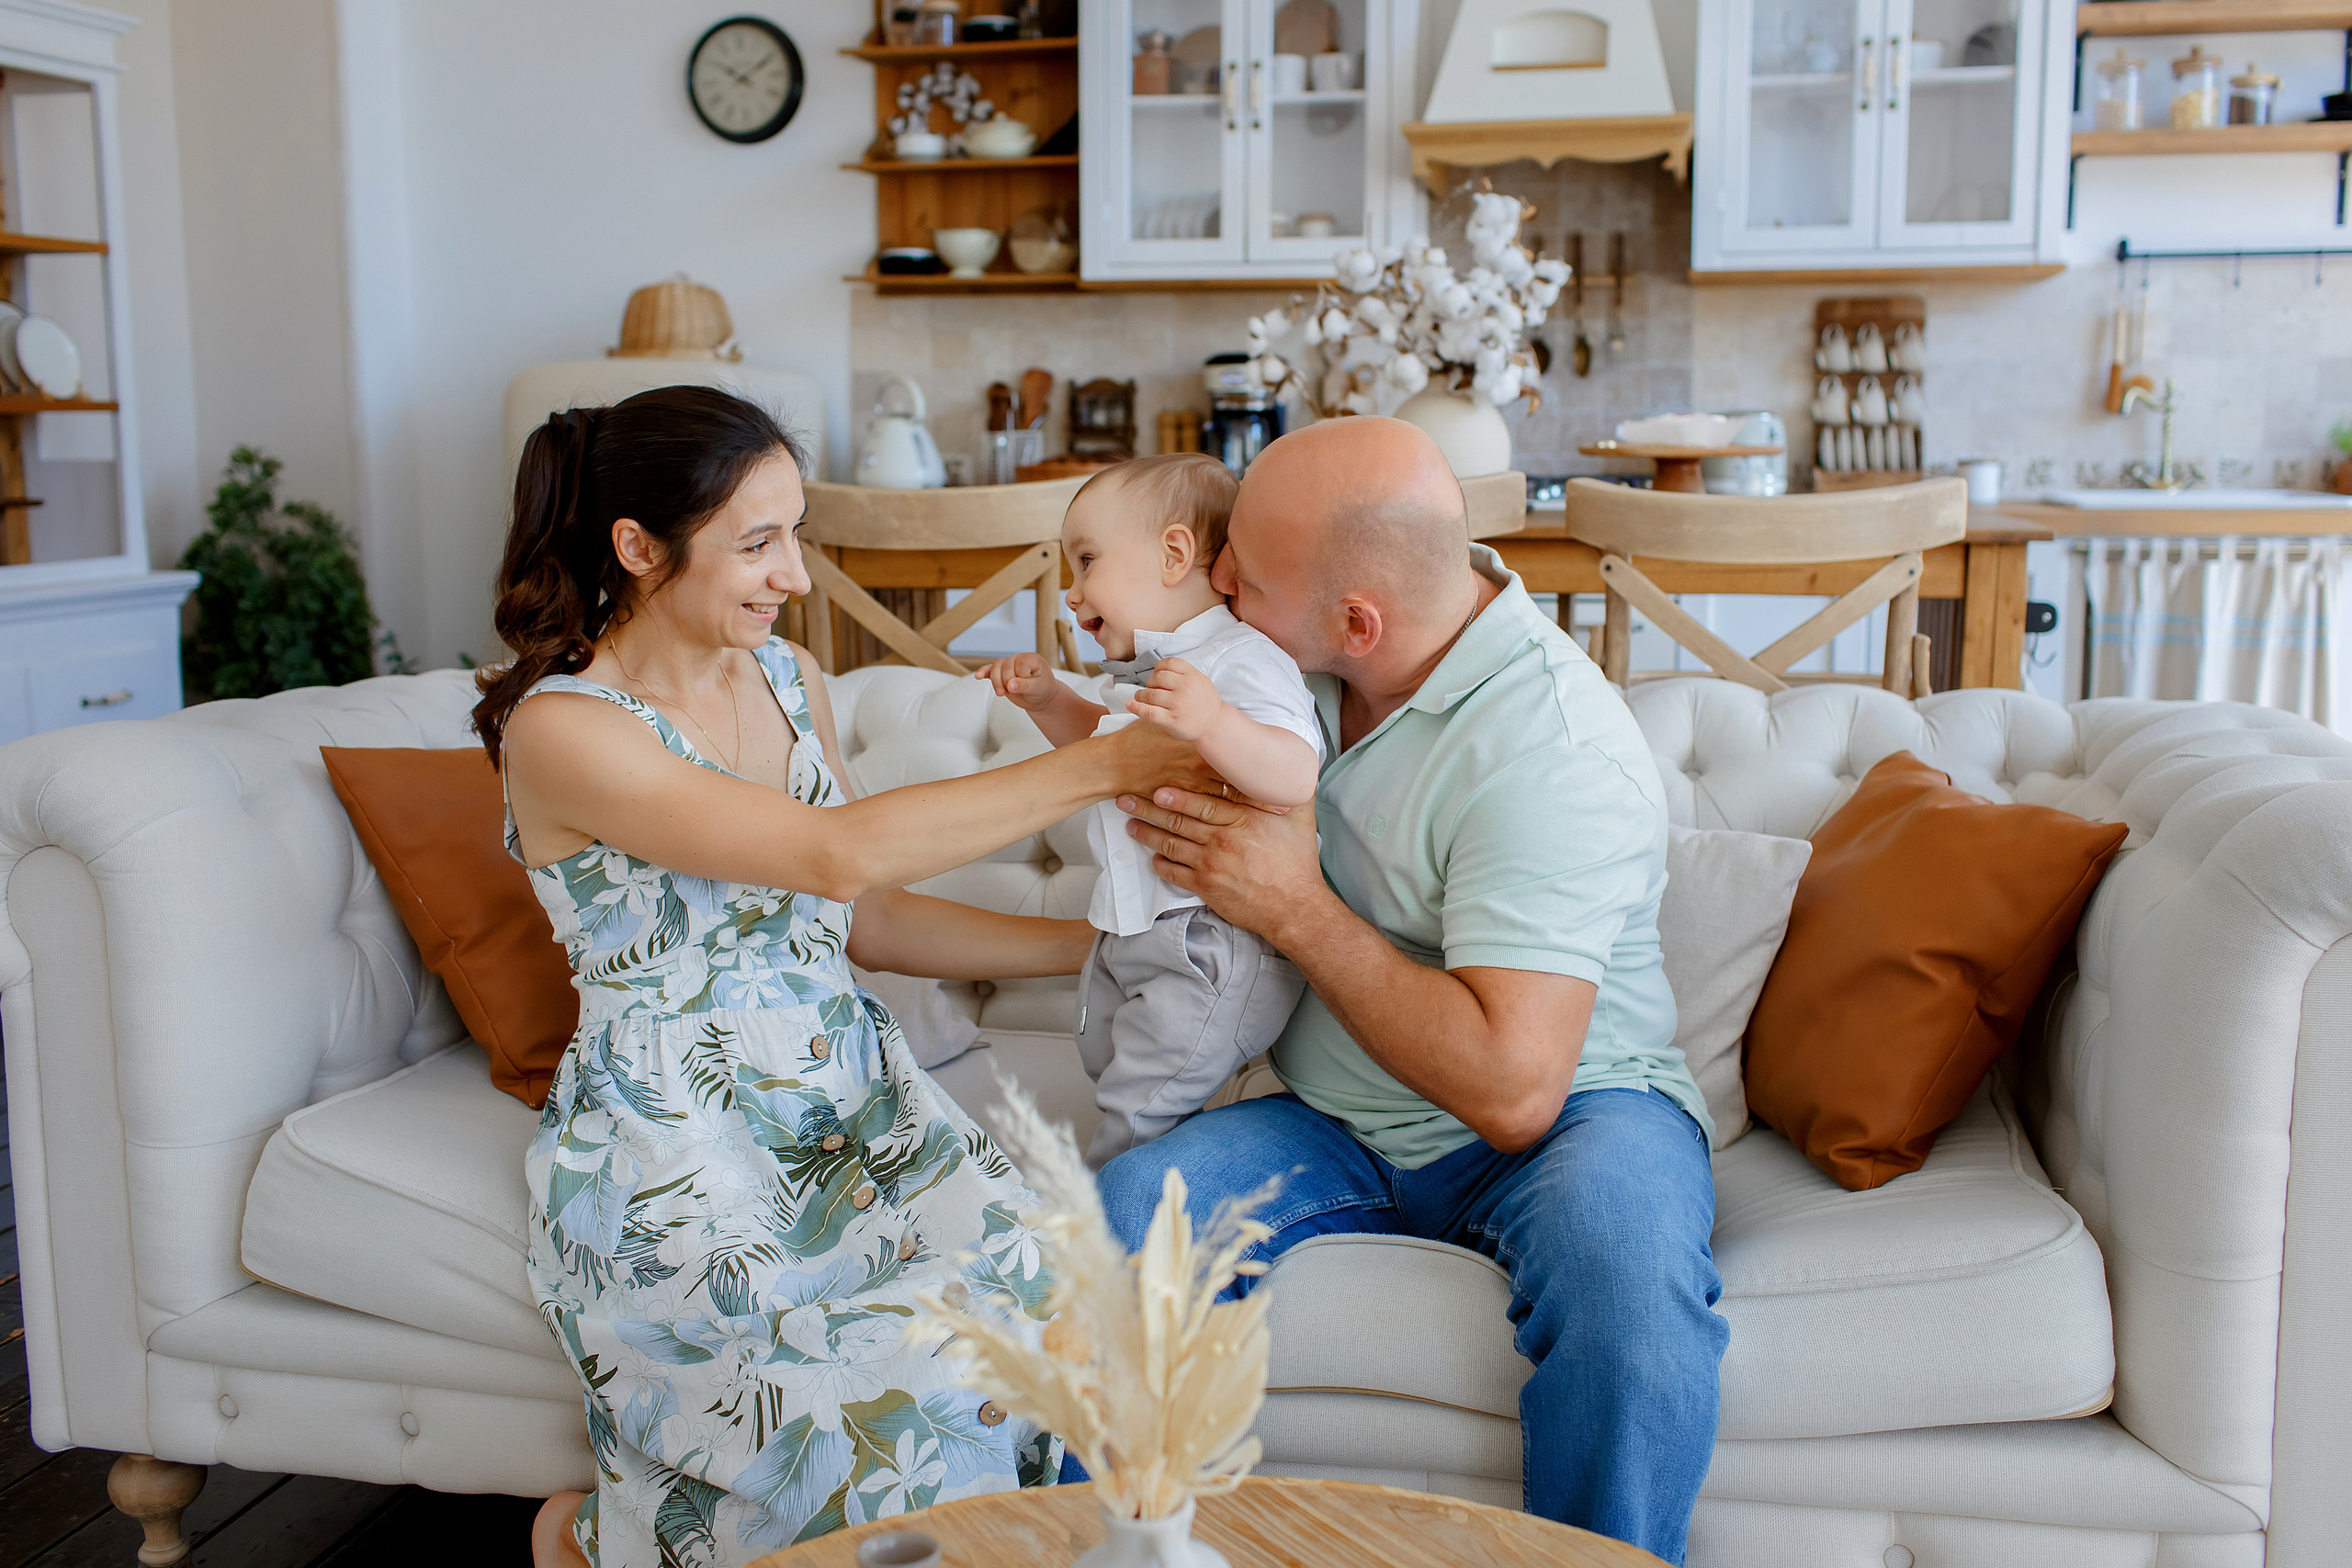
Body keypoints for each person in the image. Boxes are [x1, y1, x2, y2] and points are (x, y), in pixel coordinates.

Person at [479, 386, 1203, 1568]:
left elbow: (858, 916)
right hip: (679, 1139)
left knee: (1043, 1307)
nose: (796, 576)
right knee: (848, 1411)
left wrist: (1102, 949)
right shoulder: (567, 729)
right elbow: (831, 852)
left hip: (849, 1100)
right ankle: (597, 1542)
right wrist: (1105, 763)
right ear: (638, 549)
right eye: (759, 543)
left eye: (796, 534)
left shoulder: (790, 682)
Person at [1099, 418, 1728, 1565]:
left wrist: (1291, 907)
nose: (1218, 578)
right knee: (1120, 1225)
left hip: (1574, 1104)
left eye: (1246, 565)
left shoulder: (1552, 751)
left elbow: (1513, 1090)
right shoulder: (1285, 657)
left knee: (1630, 1302)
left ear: (1357, 621)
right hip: (1340, 1115)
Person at [974, 454, 1322, 1168]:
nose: (1072, 594)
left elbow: (1295, 772)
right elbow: (1106, 759)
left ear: (1173, 554)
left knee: (1138, 1105)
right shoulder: (1141, 677)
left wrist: (1215, 723)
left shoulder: (1238, 660)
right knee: (1102, 1052)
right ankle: (1186, 1152)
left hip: (1212, 945)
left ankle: (1106, 1217)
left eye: (1087, 562)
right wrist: (1049, 701)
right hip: (1132, 932)